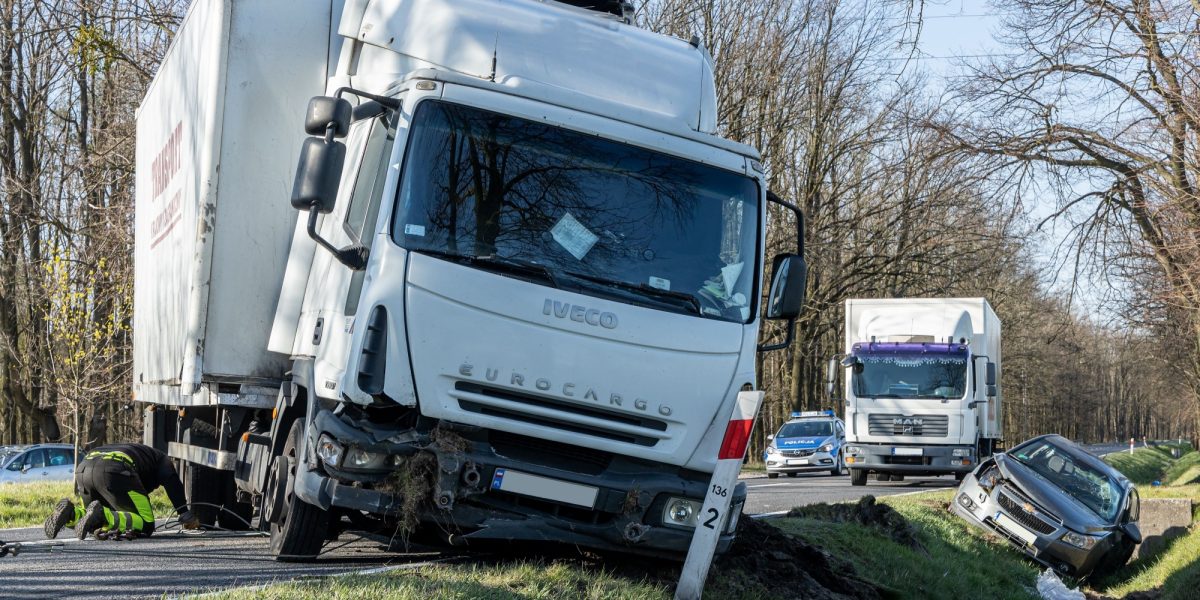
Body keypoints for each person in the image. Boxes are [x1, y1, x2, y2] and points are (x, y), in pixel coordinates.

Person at [43, 442, 199, 540]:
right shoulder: (161, 459)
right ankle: (103, 515)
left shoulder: (139, 453)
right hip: (114, 469)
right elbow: (172, 480)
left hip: (84, 468)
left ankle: (71, 513)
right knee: (146, 524)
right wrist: (185, 513)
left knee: (94, 522)